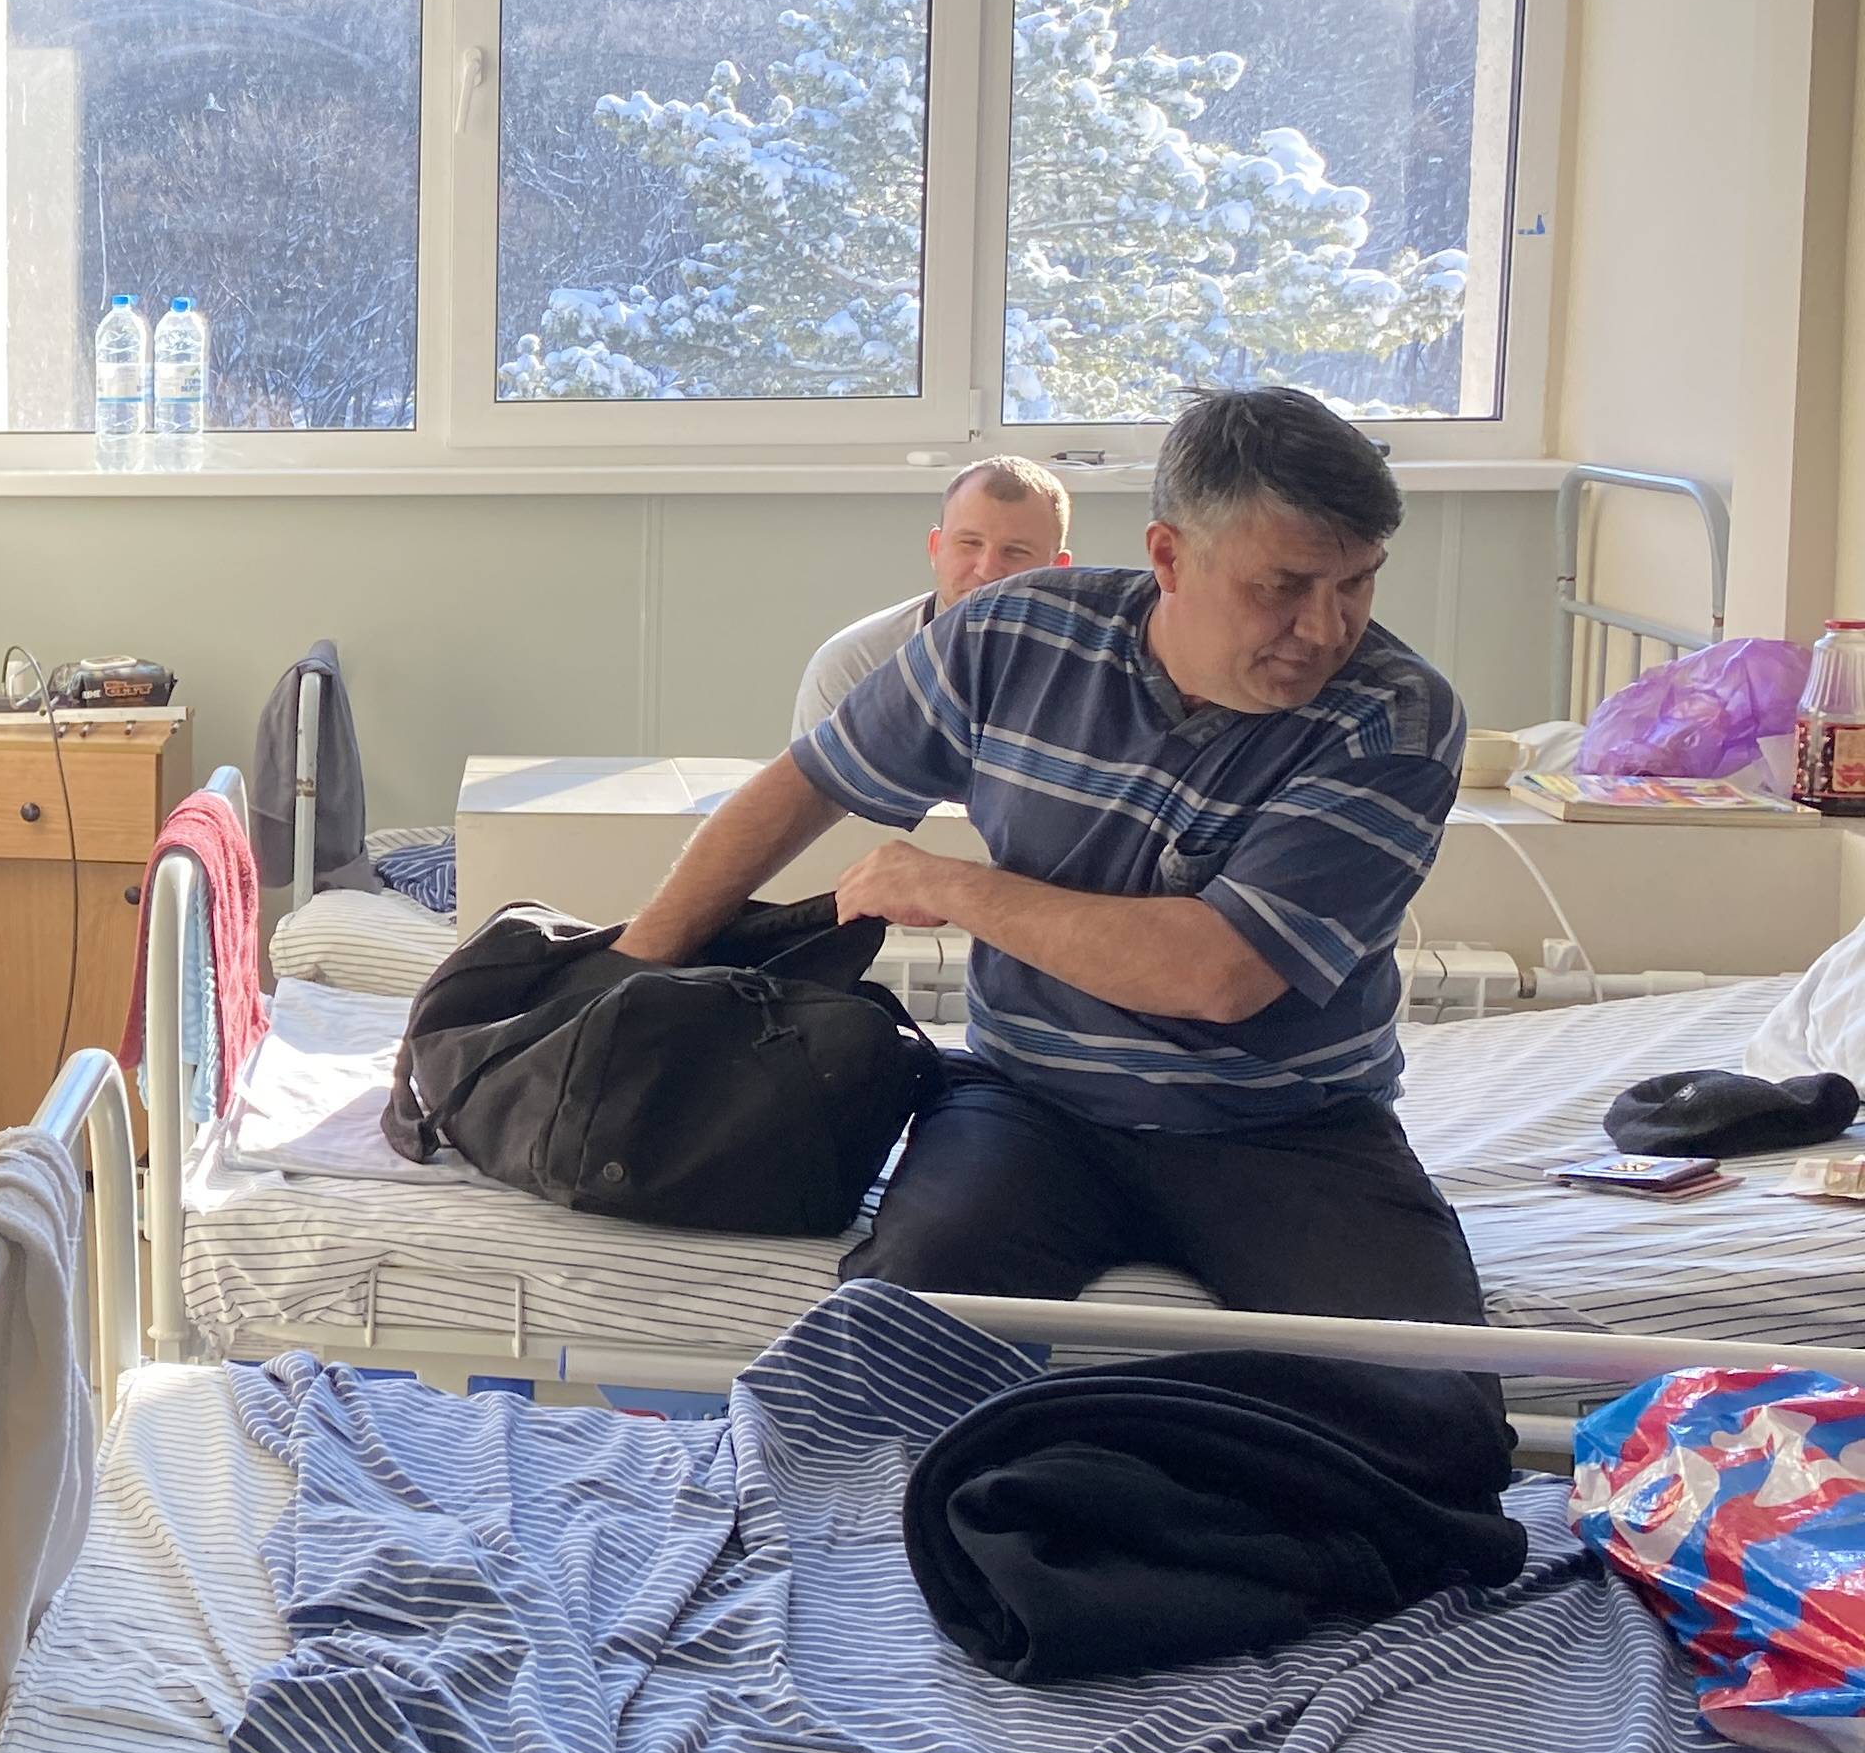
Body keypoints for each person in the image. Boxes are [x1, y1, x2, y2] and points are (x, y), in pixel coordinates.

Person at [623, 386, 1478, 1324]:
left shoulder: (1392, 717)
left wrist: (948, 885)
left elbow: (1217, 974)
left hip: (1290, 1126)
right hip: (1029, 1104)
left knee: (1429, 1389)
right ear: (1169, 557)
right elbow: (809, 782)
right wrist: (627, 972)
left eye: (1357, 583)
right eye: (1282, 587)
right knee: (897, 1337)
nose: (1326, 629)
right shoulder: (1013, 635)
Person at [790, 455, 1074, 739]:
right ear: (935, 548)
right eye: (969, 543)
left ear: (1057, 570)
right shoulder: (855, 665)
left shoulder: (1091, 673)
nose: (987, 570)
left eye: (1015, 551)